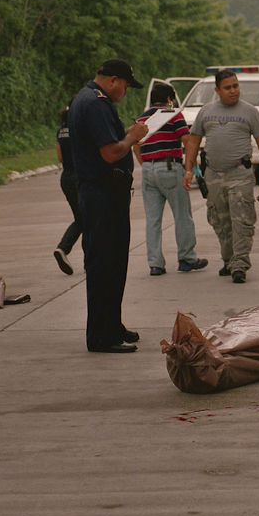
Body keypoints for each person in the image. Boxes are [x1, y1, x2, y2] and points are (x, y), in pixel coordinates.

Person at [68, 58, 150, 353]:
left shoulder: (86, 98)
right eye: (125, 86)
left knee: (115, 262)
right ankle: (102, 335)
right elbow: (110, 152)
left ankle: (112, 324)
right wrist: (132, 136)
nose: (124, 93)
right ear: (113, 80)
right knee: (104, 264)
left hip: (104, 193)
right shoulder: (96, 103)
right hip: (101, 193)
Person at [181, 69, 259, 284]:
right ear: (217, 90)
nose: (233, 91)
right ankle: (229, 259)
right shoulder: (206, 112)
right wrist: (188, 170)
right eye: (228, 87)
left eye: (236, 86)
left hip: (240, 173)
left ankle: (240, 263)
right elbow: (193, 141)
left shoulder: (250, 112)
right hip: (213, 174)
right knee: (220, 220)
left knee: (241, 219)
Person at [134, 84, 208, 276]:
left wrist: (147, 164)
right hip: (169, 167)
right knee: (182, 215)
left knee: (152, 220)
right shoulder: (173, 114)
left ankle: (155, 264)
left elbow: (135, 144)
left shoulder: (142, 119)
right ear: (169, 99)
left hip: (149, 170)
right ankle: (186, 258)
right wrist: (190, 168)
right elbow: (187, 141)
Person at [52, 106, 82, 275]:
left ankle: (64, 250)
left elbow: (60, 158)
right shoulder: (80, 128)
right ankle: (64, 248)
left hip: (66, 177)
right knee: (86, 218)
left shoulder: (61, 131)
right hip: (80, 176)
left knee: (81, 217)